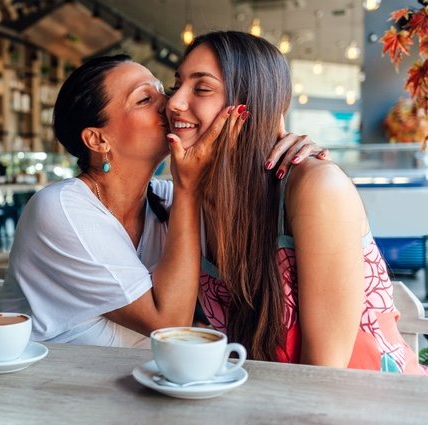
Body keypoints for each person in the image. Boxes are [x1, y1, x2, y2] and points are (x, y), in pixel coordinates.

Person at [0, 53, 325, 349]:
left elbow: (246, 213)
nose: (168, 104)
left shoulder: (166, 200)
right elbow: (168, 323)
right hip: (48, 396)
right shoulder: (61, 208)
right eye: (144, 99)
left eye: (162, 91)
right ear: (98, 139)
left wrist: (281, 146)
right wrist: (188, 187)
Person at [169, 30, 423, 373]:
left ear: (250, 107)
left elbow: (324, 374)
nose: (174, 102)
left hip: (365, 404)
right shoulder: (195, 199)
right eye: (176, 85)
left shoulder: (317, 187)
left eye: (201, 88)